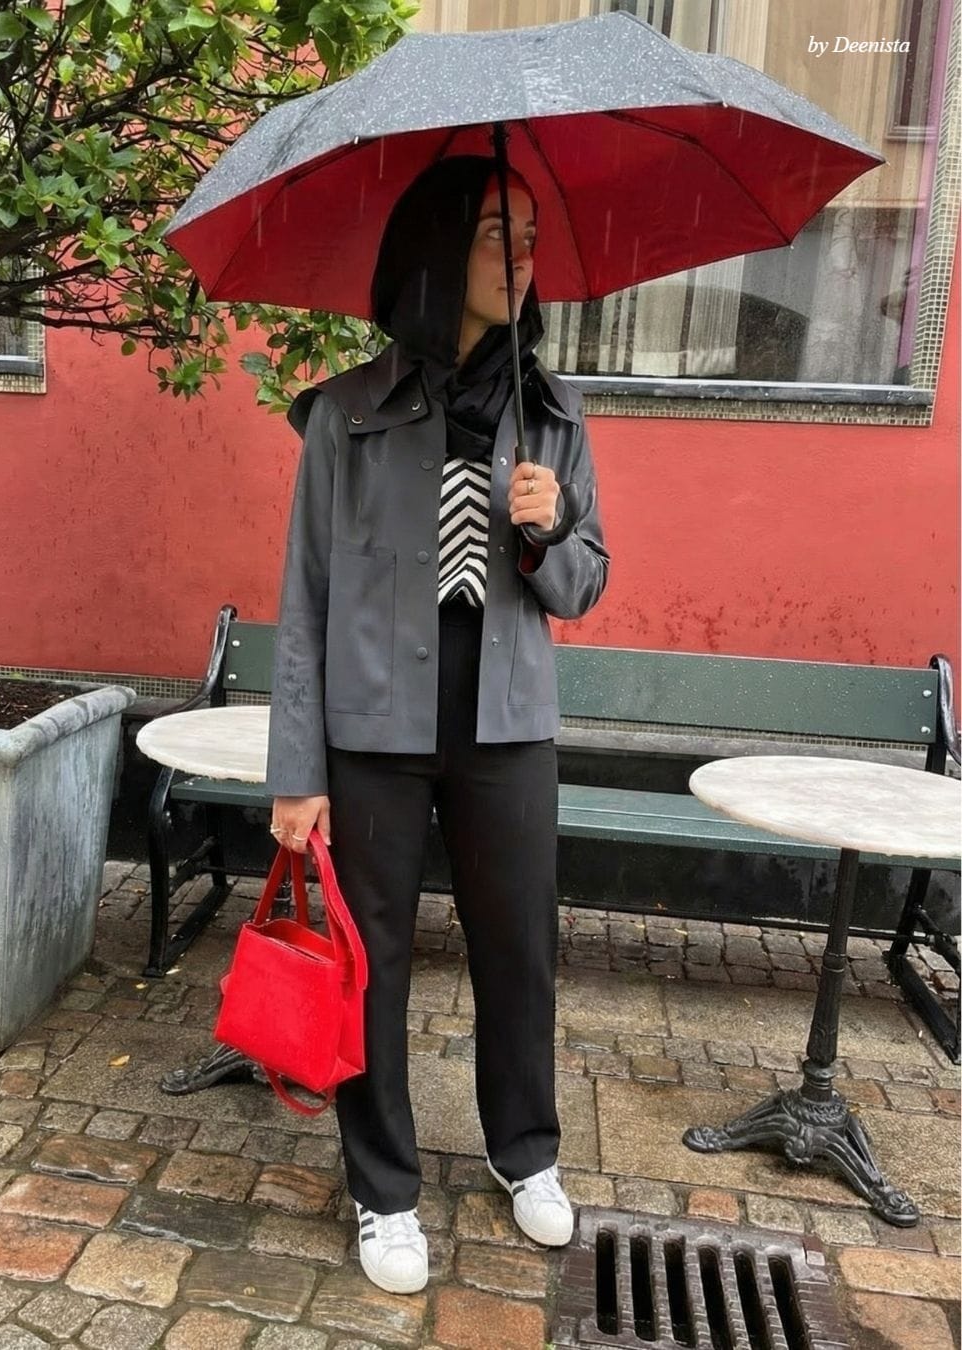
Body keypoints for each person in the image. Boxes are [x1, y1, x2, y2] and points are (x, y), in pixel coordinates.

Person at [265, 155, 609, 1296]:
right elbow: (304, 604)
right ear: (437, 249)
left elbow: (587, 585)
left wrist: (552, 528)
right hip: (373, 731)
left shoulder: (552, 416)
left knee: (520, 952)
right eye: (496, 233)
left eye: (532, 234)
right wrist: (295, 771)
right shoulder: (347, 417)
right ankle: (383, 1187)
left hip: (507, 725)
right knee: (374, 963)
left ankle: (528, 1153)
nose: (523, 256)